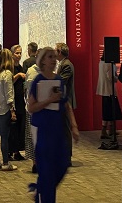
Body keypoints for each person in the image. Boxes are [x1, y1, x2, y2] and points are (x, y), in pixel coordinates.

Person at [28, 46, 79, 203]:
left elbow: (66, 105)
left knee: (63, 164)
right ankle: (44, 194)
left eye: (54, 56)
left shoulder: (59, 80)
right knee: (47, 170)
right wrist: (49, 100)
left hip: (57, 129)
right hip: (43, 129)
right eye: (50, 57)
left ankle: (40, 189)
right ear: (42, 60)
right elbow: (31, 108)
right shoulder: (38, 81)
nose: (54, 60)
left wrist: (74, 125)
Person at [0, 49, 18, 171]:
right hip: (4, 108)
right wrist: (12, 109)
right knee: (5, 136)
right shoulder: (7, 74)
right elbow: (9, 93)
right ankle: (6, 162)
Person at [56, 42, 76, 159]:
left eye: (55, 50)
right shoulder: (62, 64)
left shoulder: (67, 65)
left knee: (66, 129)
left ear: (60, 52)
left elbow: (61, 81)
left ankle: (67, 156)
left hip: (65, 100)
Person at [9, 44, 27, 160]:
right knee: (12, 126)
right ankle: (9, 151)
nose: (19, 55)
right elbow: (8, 82)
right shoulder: (9, 68)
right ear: (12, 54)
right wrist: (18, 75)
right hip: (12, 100)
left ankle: (17, 151)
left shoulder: (20, 67)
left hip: (21, 100)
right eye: (17, 53)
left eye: (20, 53)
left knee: (20, 125)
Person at [96, 54, 121, 139]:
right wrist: (116, 78)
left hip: (104, 90)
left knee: (106, 110)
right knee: (111, 110)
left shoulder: (101, 62)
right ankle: (109, 129)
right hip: (110, 90)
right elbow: (111, 77)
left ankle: (108, 129)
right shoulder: (110, 64)